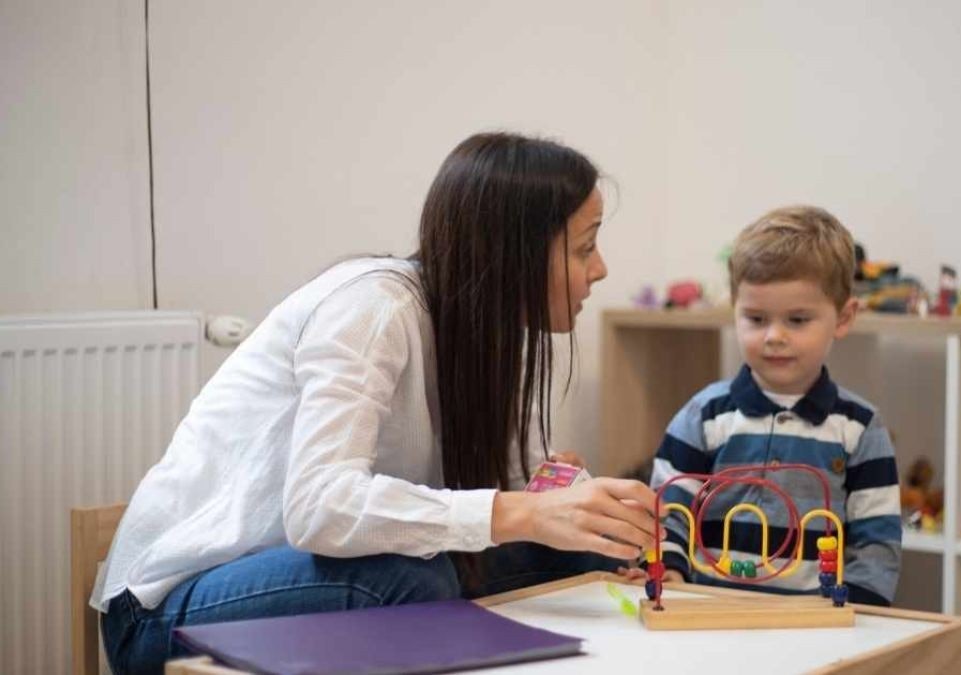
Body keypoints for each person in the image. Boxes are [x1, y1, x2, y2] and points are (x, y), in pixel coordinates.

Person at [94, 132, 659, 674]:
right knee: (408, 579)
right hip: (163, 613)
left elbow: (524, 483)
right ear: (516, 252)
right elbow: (321, 510)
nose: (601, 268)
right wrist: (524, 512)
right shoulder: (374, 309)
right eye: (585, 247)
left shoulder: (490, 334)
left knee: (577, 550)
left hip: (321, 581)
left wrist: (590, 513)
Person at [644, 205, 901, 605]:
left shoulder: (860, 427)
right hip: (704, 613)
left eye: (797, 320)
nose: (774, 336)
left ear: (844, 317)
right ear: (734, 309)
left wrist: (856, 611)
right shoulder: (705, 414)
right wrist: (671, 570)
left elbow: (877, 540)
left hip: (814, 627)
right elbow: (668, 506)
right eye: (756, 318)